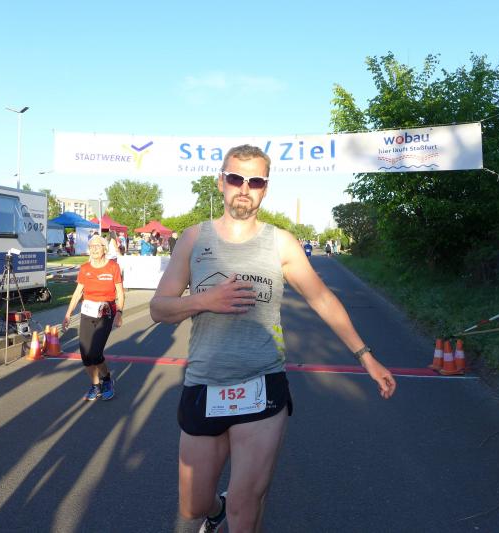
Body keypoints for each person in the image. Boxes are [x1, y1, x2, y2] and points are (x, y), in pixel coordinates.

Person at [151, 145, 396, 533]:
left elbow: (322, 298)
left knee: (245, 508)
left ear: (265, 188)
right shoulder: (193, 238)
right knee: (193, 504)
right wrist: (204, 301)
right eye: (236, 178)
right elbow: (159, 309)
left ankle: (235, 511)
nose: (244, 188)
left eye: (255, 181)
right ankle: (216, 509)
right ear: (221, 182)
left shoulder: (281, 242)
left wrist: (365, 355)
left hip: (262, 384)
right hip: (204, 383)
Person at [63, 234, 124, 401]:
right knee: (85, 355)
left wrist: (119, 313)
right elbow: (78, 293)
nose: (94, 249)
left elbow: (120, 292)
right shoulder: (85, 268)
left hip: (106, 312)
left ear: (104, 249)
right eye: (91, 246)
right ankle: (95, 384)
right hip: (87, 313)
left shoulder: (113, 267)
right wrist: (68, 314)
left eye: (98, 246)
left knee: (96, 353)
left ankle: (107, 380)